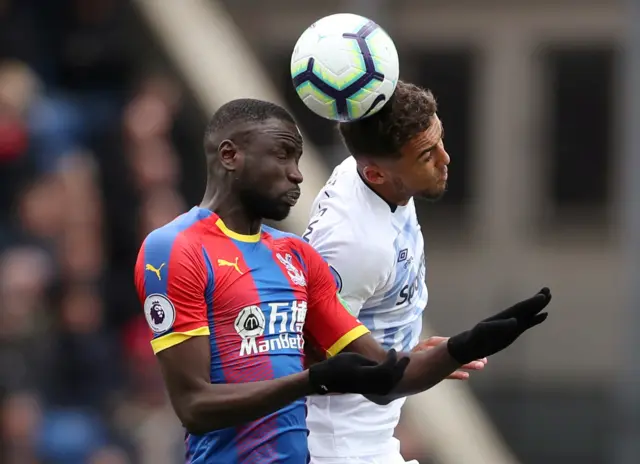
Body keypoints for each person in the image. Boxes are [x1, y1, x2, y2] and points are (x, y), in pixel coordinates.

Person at [134, 98, 552, 464]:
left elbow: (385, 375)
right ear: (230, 156)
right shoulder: (174, 248)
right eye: (282, 156)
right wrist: (315, 380)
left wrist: (466, 345)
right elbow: (194, 406)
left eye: (297, 160)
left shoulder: (296, 257)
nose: (296, 175)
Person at [303, 80, 535, 464]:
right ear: (376, 174)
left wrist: (402, 355)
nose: (445, 158)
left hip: (373, 436)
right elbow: (308, 361)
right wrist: (412, 365)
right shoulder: (351, 245)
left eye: (440, 140)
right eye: (427, 154)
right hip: (341, 448)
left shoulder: (372, 176)